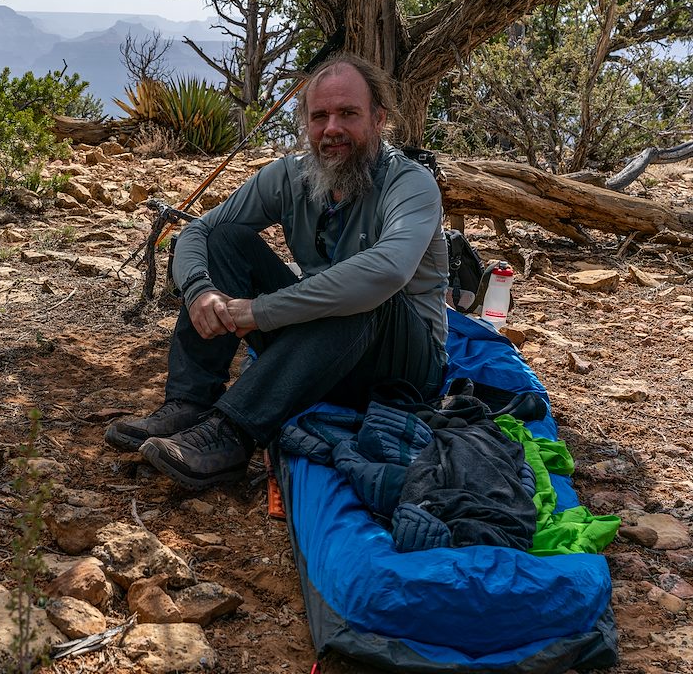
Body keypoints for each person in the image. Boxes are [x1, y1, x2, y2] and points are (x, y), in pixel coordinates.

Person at [105, 53, 450, 490]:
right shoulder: (290, 177)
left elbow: (385, 272)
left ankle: (229, 435)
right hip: (324, 350)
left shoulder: (410, 183)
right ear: (305, 123)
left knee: (363, 290)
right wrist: (198, 291)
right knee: (227, 238)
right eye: (319, 116)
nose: (332, 129)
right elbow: (200, 231)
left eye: (348, 113)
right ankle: (189, 403)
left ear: (379, 119)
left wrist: (260, 312)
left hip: (403, 366)